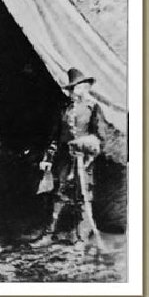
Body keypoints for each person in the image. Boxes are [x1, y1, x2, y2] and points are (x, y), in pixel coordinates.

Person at [30, 67, 106, 247]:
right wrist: (47, 158)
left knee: (82, 196)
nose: (72, 92)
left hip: (85, 159)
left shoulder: (93, 108)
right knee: (58, 194)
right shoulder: (64, 108)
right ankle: (50, 234)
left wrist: (86, 145)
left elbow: (100, 137)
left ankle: (80, 237)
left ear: (85, 88)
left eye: (76, 88)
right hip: (65, 158)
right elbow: (55, 136)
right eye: (71, 89)